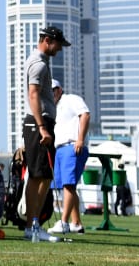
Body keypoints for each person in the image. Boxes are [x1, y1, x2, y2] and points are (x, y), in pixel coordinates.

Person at [23, 25, 71, 242]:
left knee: (41, 175)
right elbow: (33, 95)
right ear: (48, 40)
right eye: (58, 44)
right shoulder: (39, 64)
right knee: (39, 176)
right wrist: (42, 127)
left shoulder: (41, 62)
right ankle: (32, 226)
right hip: (38, 124)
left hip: (39, 123)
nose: (59, 49)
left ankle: (32, 225)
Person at [47, 79, 90, 235]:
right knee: (67, 186)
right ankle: (76, 223)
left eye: (53, 90)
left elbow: (85, 114)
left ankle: (64, 222)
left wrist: (80, 139)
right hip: (60, 149)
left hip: (72, 146)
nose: (51, 93)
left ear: (59, 89)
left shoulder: (71, 99)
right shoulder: (53, 107)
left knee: (68, 185)